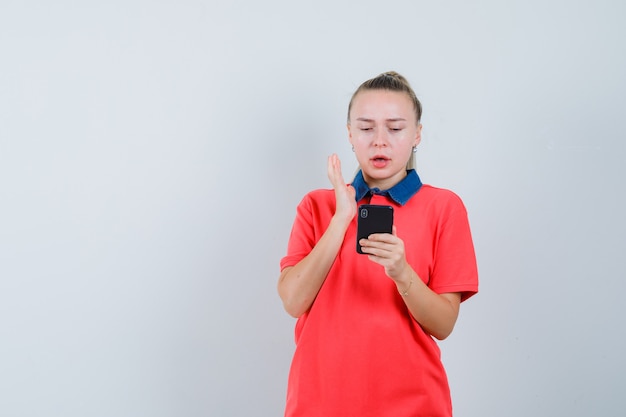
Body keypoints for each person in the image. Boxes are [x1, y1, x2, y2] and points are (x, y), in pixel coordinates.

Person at [277, 71, 479, 417]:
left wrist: (403, 273)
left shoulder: (444, 208)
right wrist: (341, 218)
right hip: (320, 401)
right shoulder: (316, 205)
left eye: (395, 128)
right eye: (367, 128)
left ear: (417, 134)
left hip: (414, 403)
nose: (379, 141)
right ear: (350, 135)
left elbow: (443, 324)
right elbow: (294, 301)